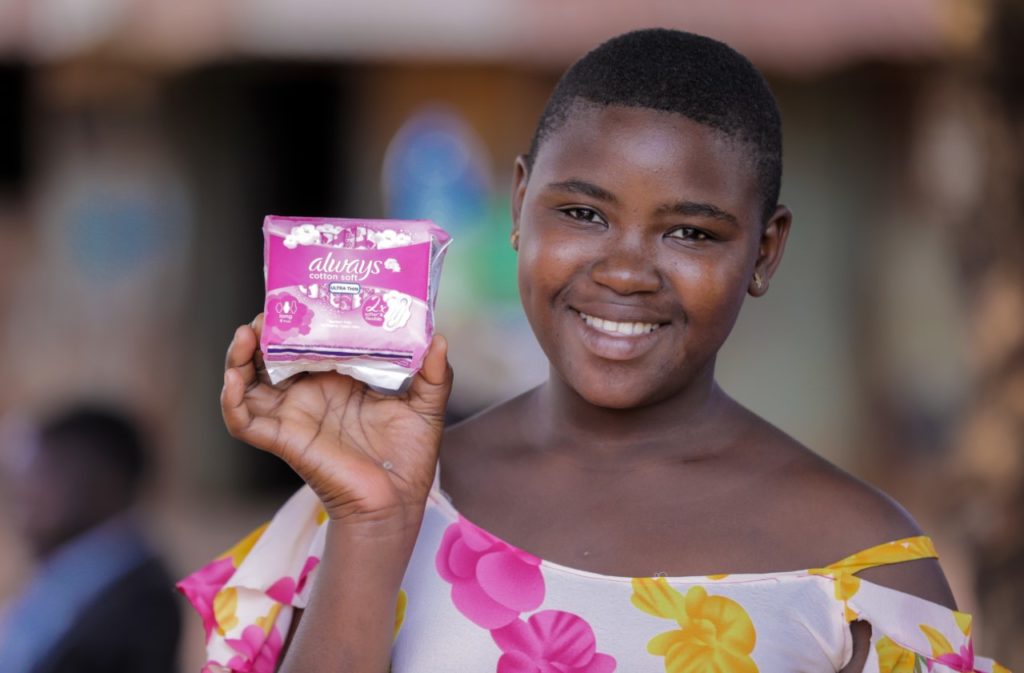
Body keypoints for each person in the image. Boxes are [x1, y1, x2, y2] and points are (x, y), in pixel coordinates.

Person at [178, 29, 1010, 673]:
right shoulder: (360, 508)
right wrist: (372, 520)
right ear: (516, 206)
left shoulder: (858, 571)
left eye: (691, 231)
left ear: (764, 251)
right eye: (581, 214)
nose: (622, 270)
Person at [0, 405, 181, 673]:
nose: (29, 491)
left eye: (50, 472)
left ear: (107, 483)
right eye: (31, 473)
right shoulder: (69, 577)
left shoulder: (142, 602)